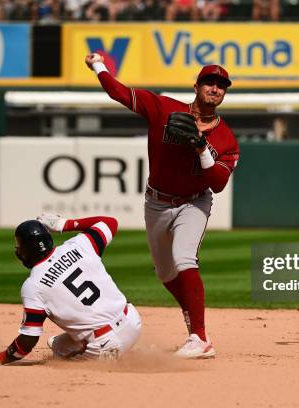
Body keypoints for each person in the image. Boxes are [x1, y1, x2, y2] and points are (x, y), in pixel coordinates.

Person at [85, 53, 239, 359]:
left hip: (193, 202)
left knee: (184, 260)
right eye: (210, 82)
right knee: (165, 273)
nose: (215, 89)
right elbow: (120, 93)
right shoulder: (164, 107)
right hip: (156, 201)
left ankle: (201, 338)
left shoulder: (226, 139)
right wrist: (99, 66)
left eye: (222, 86)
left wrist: (200, 147)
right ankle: (190, 314)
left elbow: (218, 183)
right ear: (196, 86)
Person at [0, 214, 142, 364]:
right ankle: (128, 350)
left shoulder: (33, 285)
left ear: (24, 252)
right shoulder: (79, 244)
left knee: (61, 367)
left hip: (107, 346)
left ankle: (117, 355)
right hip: (133, 321)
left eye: (19, 246)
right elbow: (110, 222)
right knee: (58, 345)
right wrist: (66, 224)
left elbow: (28, 340)